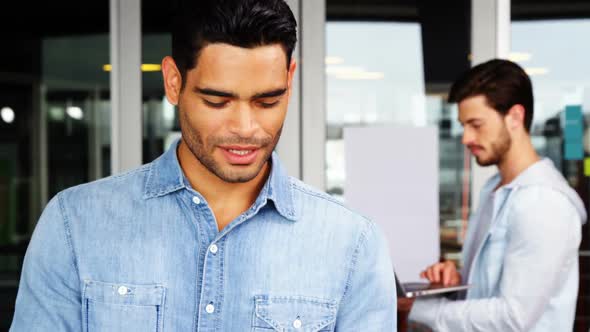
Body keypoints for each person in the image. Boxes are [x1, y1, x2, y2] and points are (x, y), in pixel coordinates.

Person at [10, 0, 397, 330]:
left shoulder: (353, 245)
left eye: (267, 101)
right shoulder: (74, 225)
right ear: (173, 81)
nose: (246, 128)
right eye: (217, 101)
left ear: (289, 81)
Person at [405, 59, 587, 331]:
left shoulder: (542, 202)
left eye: (476, 124)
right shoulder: (494, 189)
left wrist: (417, 309)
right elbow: (487, 295)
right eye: (463, 125)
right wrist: (455, 285)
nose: (465, 137)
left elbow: (513, 317)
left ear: (515, 117)